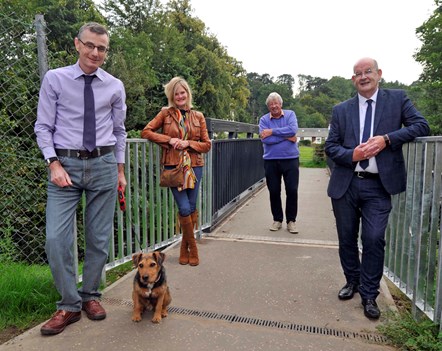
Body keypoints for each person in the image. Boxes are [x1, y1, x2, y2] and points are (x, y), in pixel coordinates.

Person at [34, 22, 127, 335]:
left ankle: (90, 296)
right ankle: (68, 304)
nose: (95, 52)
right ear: (77, 44)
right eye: (90, 45)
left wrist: (119, 169)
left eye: (101, 48)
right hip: (65, 166)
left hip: (103, 164)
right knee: (56, 239)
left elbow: (119, 131)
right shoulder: (55, 79)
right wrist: (53, 163)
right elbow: (43, 127)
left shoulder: (114, 86)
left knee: (99, 238)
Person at [325, 57, 430, 320]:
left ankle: (370, 294)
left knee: (373, 238)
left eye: (368, 71)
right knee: (347, 238)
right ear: (353, 79)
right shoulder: (341, 110)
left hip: (378, 186)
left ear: (379, 74)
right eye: (358, 73)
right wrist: (353, 154)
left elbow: (421, 126)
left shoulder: (397, 100)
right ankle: (353, 281)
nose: (363, 77)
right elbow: (331, 147)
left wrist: (386, 139)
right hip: (346, 184)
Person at [141, 77, 211, 266]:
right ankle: (192, 247)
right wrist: (169, 140)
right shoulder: (165, 114)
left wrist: (188, 143)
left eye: (183, 92)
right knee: (185, 208)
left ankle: (184, 248)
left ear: (187, 94)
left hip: (195, 166)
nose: (180, 96)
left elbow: (206, 145)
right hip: (173, 167)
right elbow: (146, 131)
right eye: (176, 93)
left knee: (192, 206)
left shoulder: (198, 116)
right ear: (172, 96)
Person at [259, 92, 300, 234]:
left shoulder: (290, 115)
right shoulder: (264, 119)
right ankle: (277, 219)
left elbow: (293, 130)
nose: (274, 106)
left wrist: (272, 131)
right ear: (268, 106)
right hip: (271, 160)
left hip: (291, 159)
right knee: (274, 191)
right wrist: (287, 137)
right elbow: (265, 140)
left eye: (276, 103)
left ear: (281, 104)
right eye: (271, 104)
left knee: (292, 190)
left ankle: (291, 221)